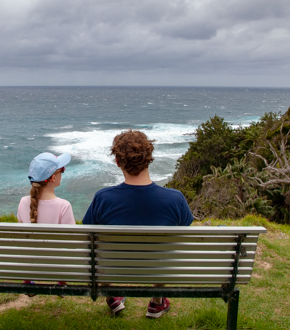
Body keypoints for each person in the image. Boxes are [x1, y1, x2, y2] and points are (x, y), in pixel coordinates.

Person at [82, 130, 194, 318]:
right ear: (149, 159)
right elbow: (181, 239)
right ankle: (157, 302)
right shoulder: (175, 199)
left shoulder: (103, 198)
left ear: (118, 163)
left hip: (115, 268)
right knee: (165, 251)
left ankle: (112, 296)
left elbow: (88, 236)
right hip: (157, 267)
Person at [17, 152, 75, 225]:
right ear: (53, 178)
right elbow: (71, 235)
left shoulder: (23, 202)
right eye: (62, 170)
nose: (63, 172)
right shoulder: (63, 206)